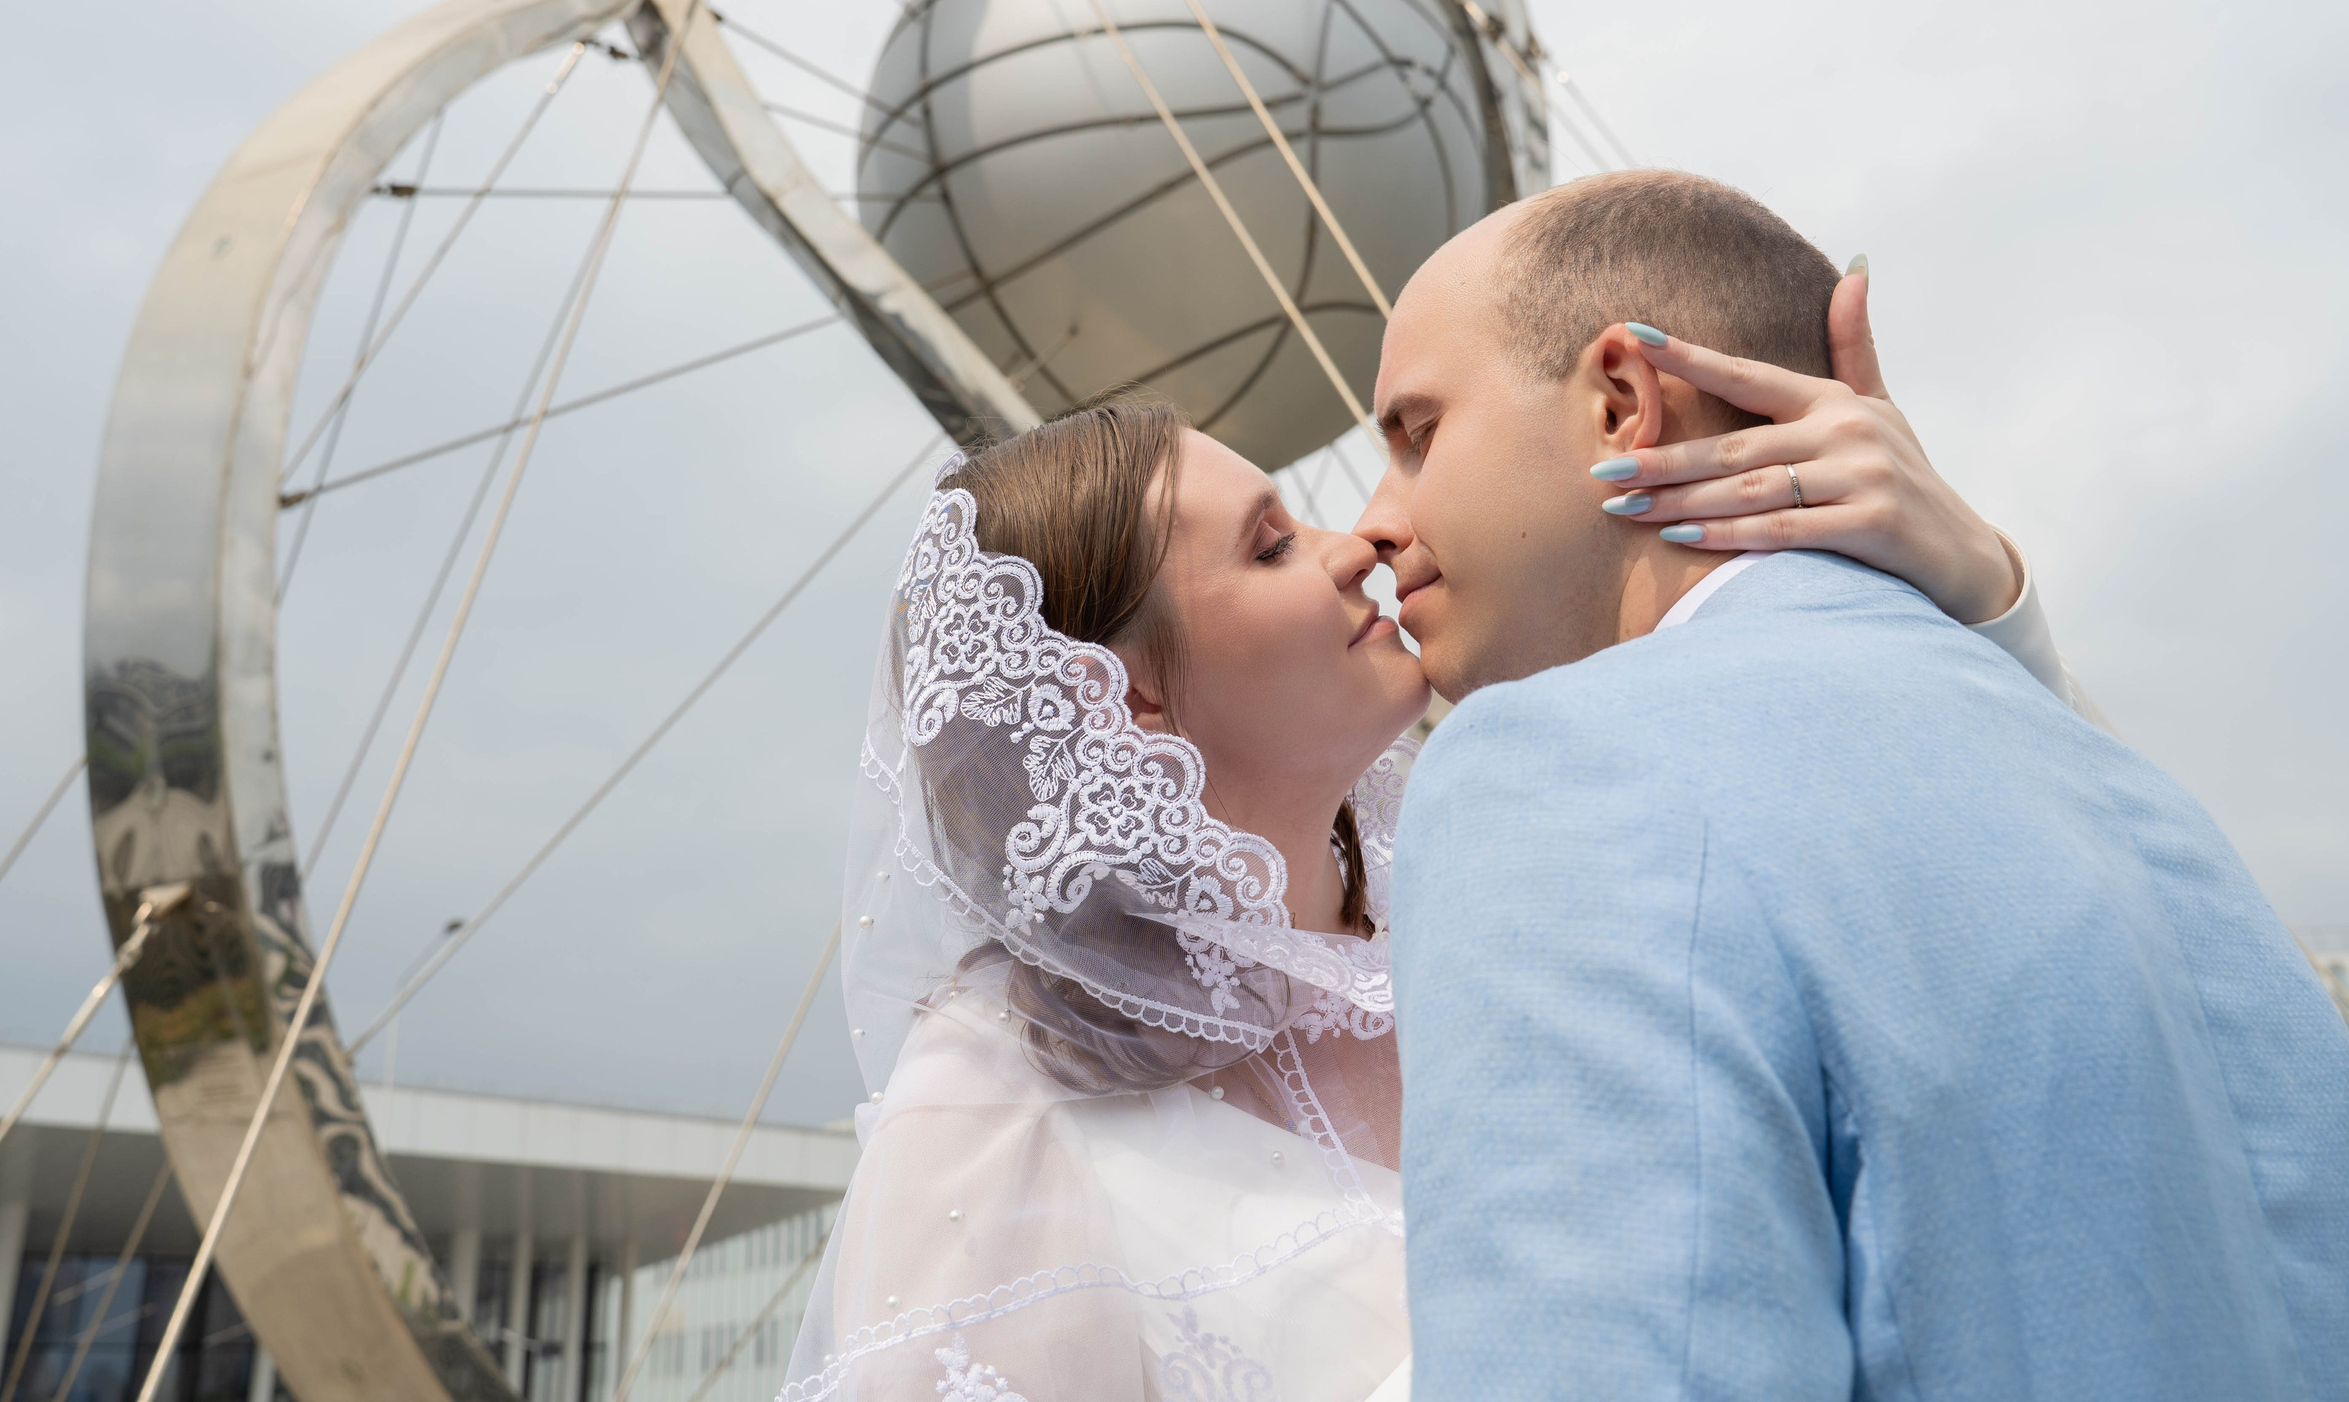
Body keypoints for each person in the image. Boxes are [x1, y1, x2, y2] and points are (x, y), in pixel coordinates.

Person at [781, 273, 2088, 1399]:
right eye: (1271, 544)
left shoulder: (1533, 914)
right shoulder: (998, 1113)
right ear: (1128, 699)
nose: (1357, 543)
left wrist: (1972, 594)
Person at [1362, 169, 2349, 1400]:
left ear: (1622, 400)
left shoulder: (1553, 774)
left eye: (1416, 435)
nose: (1373, 522)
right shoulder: (2151, 816)